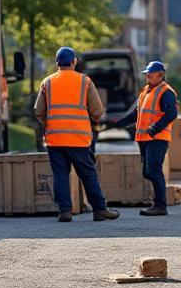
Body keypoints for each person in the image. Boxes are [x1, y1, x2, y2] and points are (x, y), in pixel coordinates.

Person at [34, 46, 120, 223]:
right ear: (74, 62)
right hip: (78, 138)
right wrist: (94, 120)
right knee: (88, 174)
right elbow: (97, 110)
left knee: (60, 174)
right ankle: (99, 209)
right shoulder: (85, 81)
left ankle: (65, 211)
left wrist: (49, 124)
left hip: (55, 139)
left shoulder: (47, 82)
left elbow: (38, 110)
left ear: (57, 63)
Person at [113, 60, 178, 216]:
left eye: (150, 74)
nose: (147, 76)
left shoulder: (166, 92)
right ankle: (158, 203)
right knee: (147, 172)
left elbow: (172, 114)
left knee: (154, 171)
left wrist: (155, 128)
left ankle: (160, 205)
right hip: (145, 138)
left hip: (158, 138)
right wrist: (117, 122)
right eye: (146, 74)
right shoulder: (146, 91)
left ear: (160, 75)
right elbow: (135, 114)